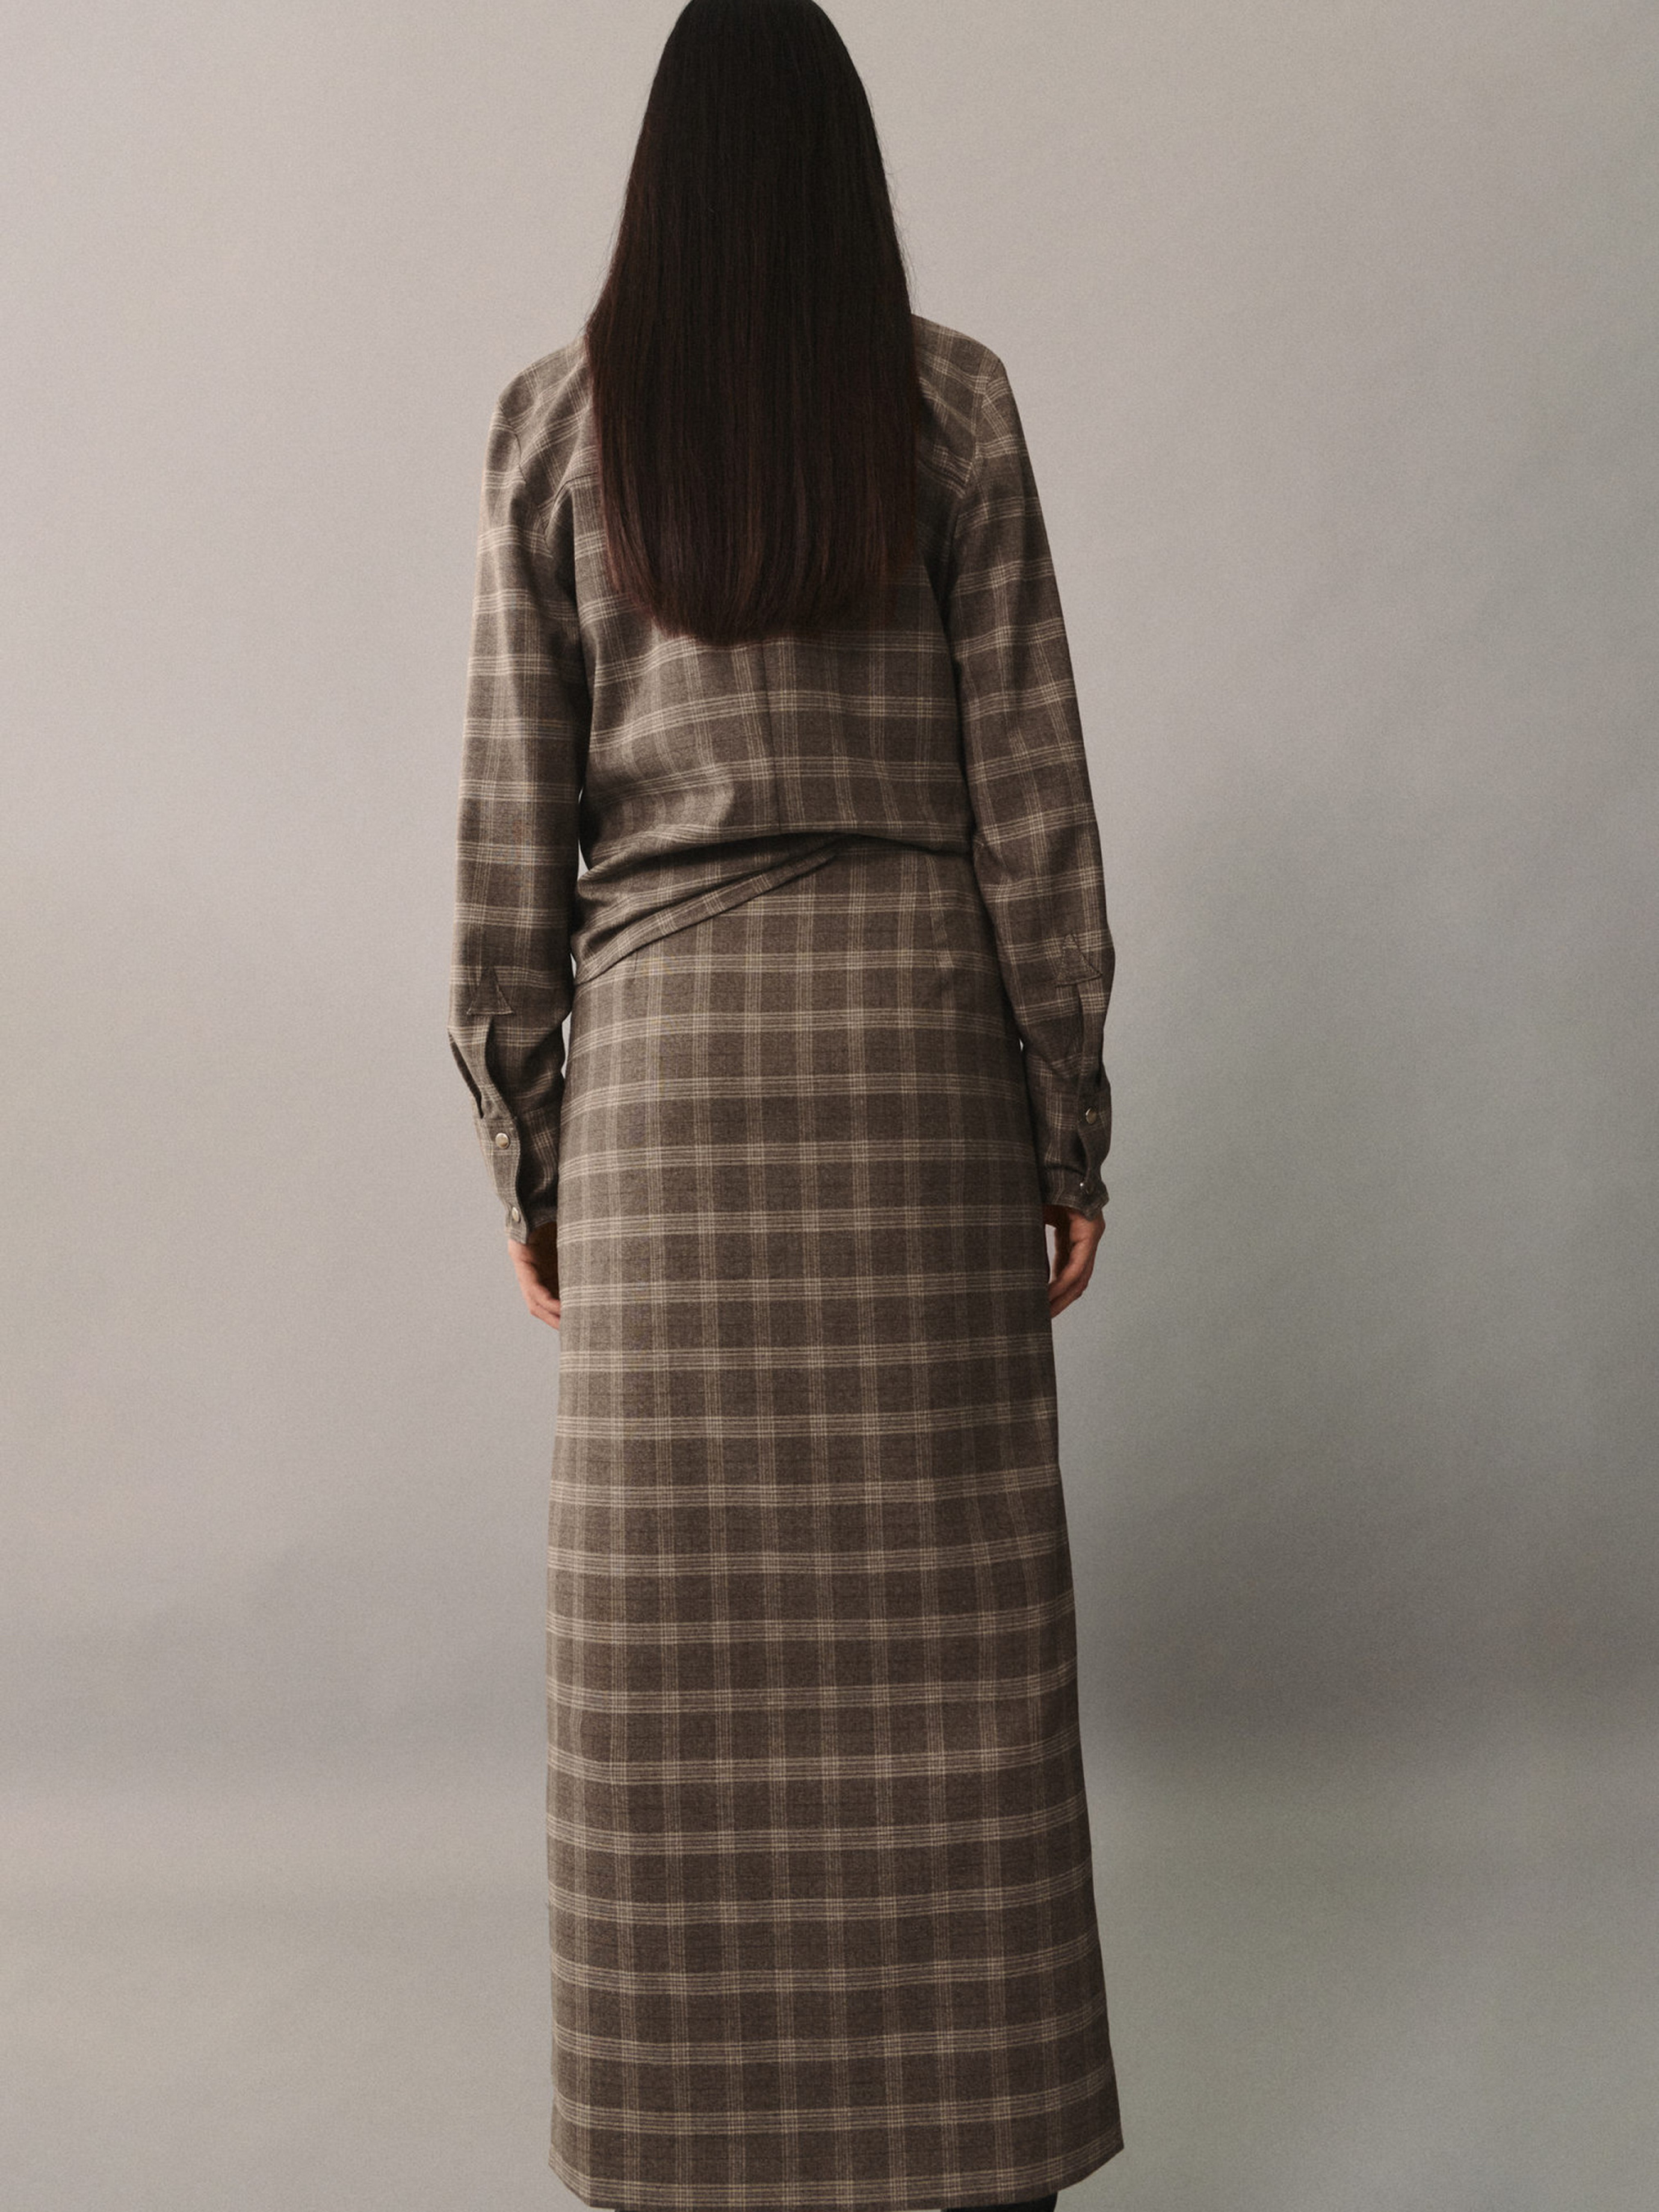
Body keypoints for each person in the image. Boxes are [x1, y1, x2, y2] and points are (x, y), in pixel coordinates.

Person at [446, 3, 1124, 2205]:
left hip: (661, 1102)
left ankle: (682, 2147)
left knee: (671, 1676)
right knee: (950, 1639)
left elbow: (507, 840)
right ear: (845, 176)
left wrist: (532, 1155)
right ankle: (976, 2149)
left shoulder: (554, 425)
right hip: (915, 1082)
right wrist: (1061, 1119)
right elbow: (1032, 799)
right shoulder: (952, 406)